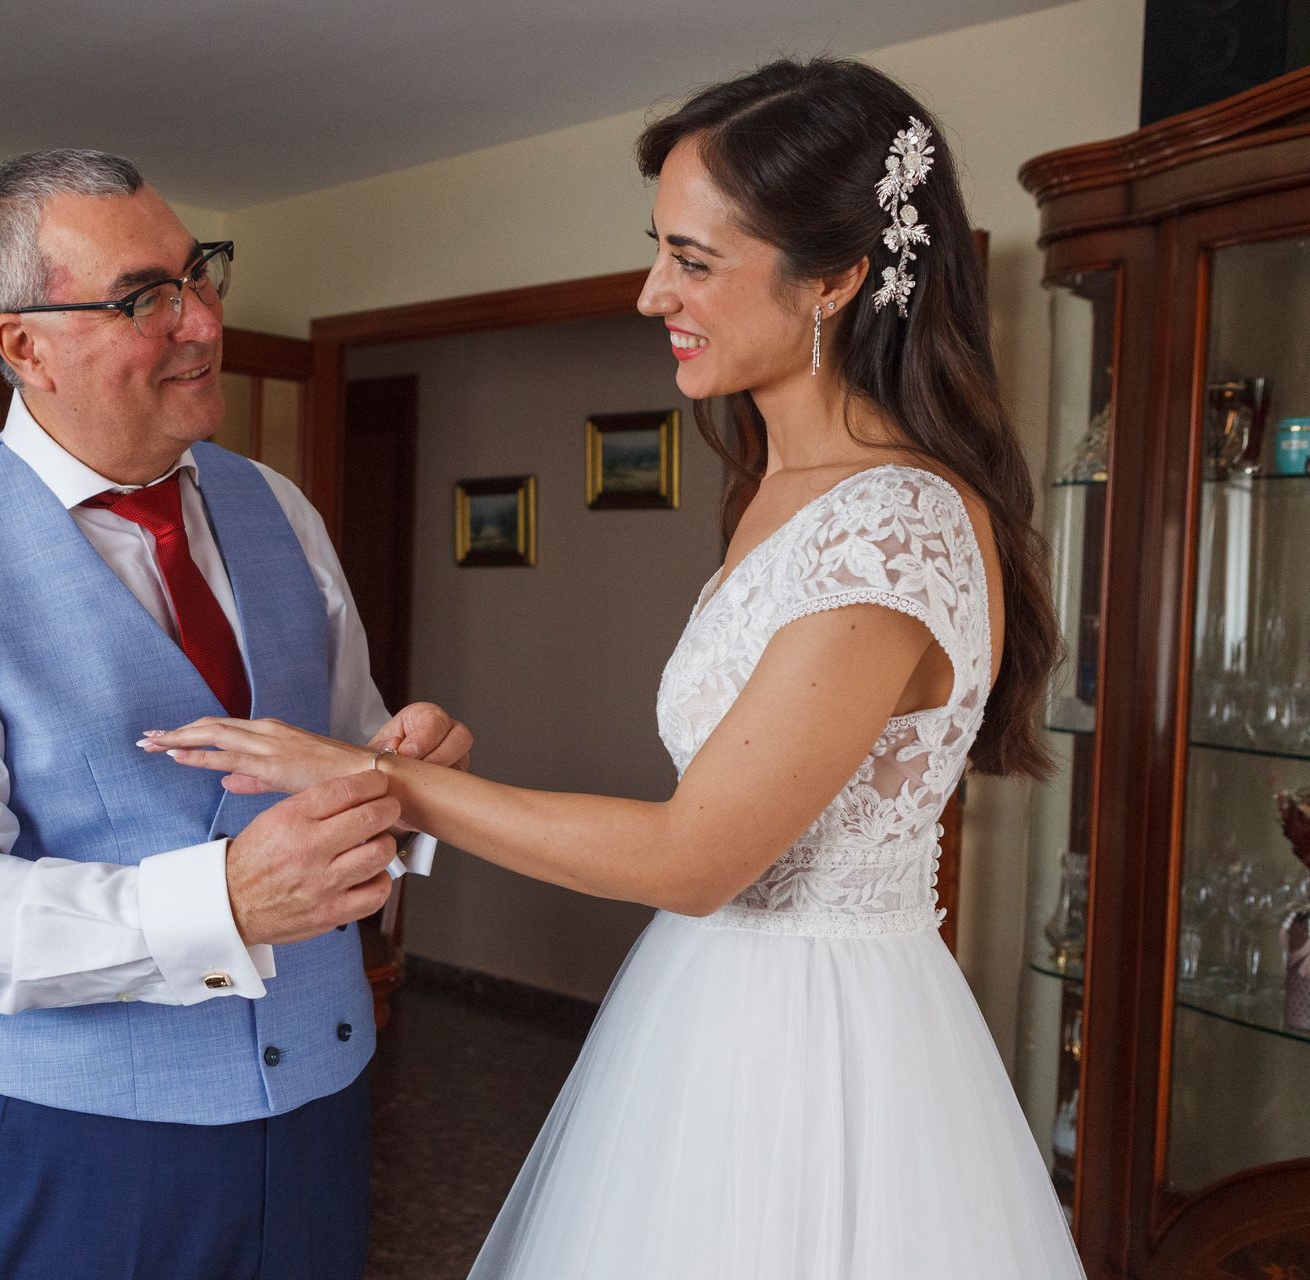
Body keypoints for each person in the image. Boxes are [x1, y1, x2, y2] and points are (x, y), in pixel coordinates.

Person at [146, 59, 1086, 1278]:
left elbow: (694, 856)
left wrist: (373, 777)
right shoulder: (781, 489)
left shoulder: (893, 522)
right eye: (661, 251)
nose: (654, 293)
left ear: (840, 278)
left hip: (820, 1052)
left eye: (694, 261)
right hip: (712, 1011)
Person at [0, 149, 471, 1280]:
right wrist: (217, 900)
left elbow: (347, 752)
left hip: (325, 1107)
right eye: (145, 298)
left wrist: (405, 777)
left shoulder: (279, 507)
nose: (203, 323)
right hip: (95, 1152)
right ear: (24, 346)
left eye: (198, 275)